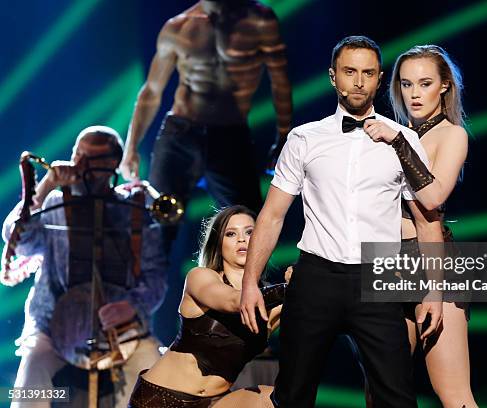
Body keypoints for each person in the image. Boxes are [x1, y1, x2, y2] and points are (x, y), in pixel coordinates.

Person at [240, 35, 444, 408]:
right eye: (350, 72)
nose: (359, 81)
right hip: (316, 277)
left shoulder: (404, 140)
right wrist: (250, 282)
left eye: (368, 73)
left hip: (378, 279)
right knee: (293, 394)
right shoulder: (304, 138)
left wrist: (434, 290)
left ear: (379, 79)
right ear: (333, 76)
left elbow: (427, 219)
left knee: (397, 397)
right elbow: (271, 215)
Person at [1, 126, 168, 407]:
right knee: (30, 384)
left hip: (124, 328)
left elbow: (156, 277)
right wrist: (44, 187)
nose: (81, 167)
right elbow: (17, 237)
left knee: (151, 375)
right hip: (53, 325)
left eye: (93, 160)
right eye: (78, 157)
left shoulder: (135, 210)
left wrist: (132, 305)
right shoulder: (55, 202)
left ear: (114, 163)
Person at [119, 0, 293, 250]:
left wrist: (284, 138)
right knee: (159, 223)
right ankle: (148, 287)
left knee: (247, 225)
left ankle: (240, 288)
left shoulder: (259, 21)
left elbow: (280, 81)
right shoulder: (178, 27)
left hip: (230, 137)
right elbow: (151, 91)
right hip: (180, 133)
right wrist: (131, 148)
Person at [363, 44, 476, 408]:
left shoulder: (450, 134)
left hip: (431, 262)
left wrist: (397, 141)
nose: (414, 94)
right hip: (385, 263)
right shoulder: (390, 134)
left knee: (454, 394)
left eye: (424, 83)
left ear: (443, 85)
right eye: (406, 84)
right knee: (381, 393)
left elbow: (433, 197)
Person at [128, 205, 285, 408]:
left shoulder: (272, 306)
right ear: (218, 244)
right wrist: (288, 287)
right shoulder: (200, 277)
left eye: (250, 232)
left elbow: (315, 306)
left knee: (276, 399)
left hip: (211, 403)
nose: (241, 239)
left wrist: (304, 280)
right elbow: (235, 301)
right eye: (230, 234)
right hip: (160, 399)